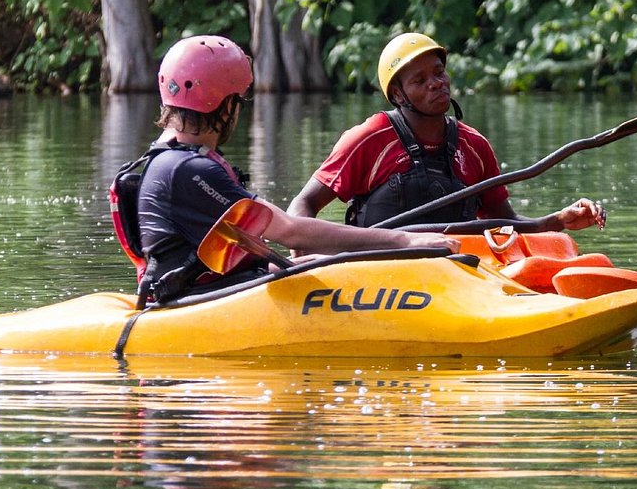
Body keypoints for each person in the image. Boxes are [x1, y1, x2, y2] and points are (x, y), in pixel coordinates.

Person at [111, 35, 456, 306]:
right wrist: (404, 241)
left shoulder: (172, 160)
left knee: (328, 262)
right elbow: (287, 229)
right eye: (239, 101)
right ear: (224, 102)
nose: (237, 112)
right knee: (337, 266)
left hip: (212, 286)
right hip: (199, 299)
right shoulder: (189, 169)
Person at [287, 32, 606, 231]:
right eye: (419, 80)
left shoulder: (474, 145)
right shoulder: (369, 138)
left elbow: (505, 224)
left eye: (439, 73)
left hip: (454, 276)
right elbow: (302, 207)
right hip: (379, 274)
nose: (436, 83)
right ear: (398, 95)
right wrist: (304, 253)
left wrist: (557, 221)